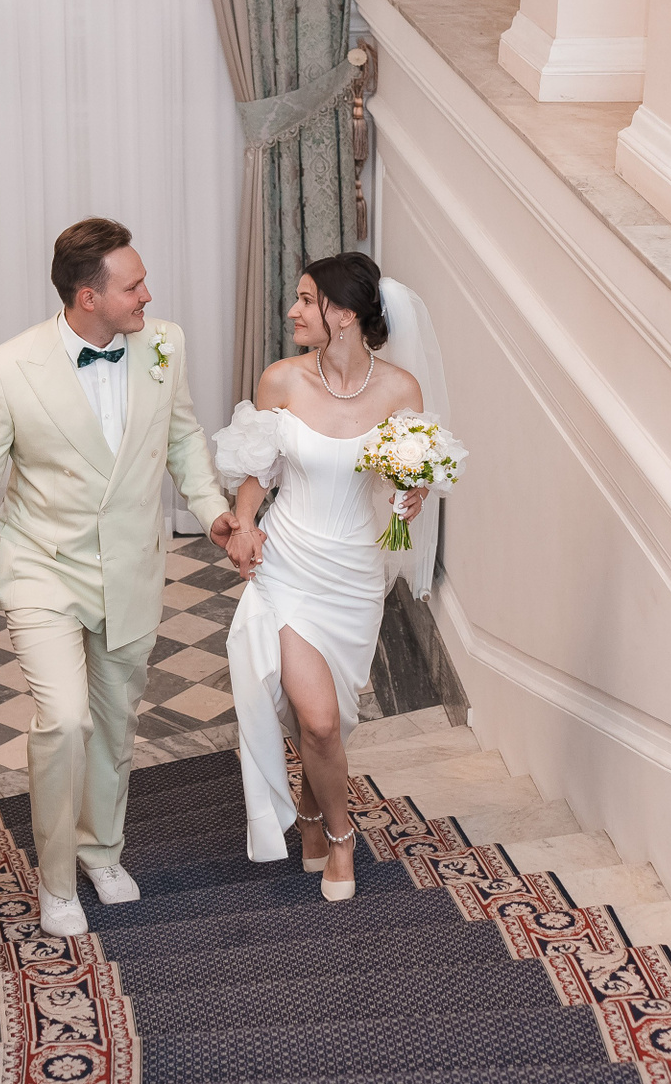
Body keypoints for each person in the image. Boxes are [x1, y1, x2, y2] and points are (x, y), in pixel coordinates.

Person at [0, 217, 249, 938]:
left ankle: (101, 851)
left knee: (114, 724)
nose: (148, 295)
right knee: (65, 721)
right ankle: (56, 882)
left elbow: (182, 437)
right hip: (43, 569)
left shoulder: (165, 344)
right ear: (89, 297)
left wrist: (213, 513)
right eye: (134, 286)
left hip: (132, 568)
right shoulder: (9, 369)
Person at [214, 252, 444, 901]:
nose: (293, 310)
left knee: (331, 717)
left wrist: (412, 490)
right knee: (314, 720)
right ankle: (343, 839)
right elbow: (258, 468)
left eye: (307, 299)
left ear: (343, 315)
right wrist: (245, 522)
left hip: (354, 574)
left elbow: (409, 474)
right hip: (287, 564)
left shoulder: (400, 390)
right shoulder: (281, 380)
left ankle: (313, 815)